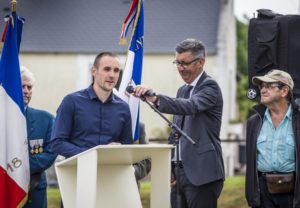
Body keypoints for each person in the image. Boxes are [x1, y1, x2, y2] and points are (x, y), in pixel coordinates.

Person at [132, 38, 224, 208]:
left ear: (200, 62)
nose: (180, 68)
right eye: (177, 63)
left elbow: (191, 106)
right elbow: (175, 132)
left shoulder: (210, 86)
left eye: (185, 63)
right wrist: (170, 165)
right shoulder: (182, 90)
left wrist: (156, 98)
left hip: (202, 172)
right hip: (179, 173)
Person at [51, 52, 133, 158]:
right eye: (107, 69)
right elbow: (57, 143)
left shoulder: (123, 108)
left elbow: (128, 147)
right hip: (78, 171)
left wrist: (120, 148)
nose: (112, 75)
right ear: (93, 71)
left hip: (111, 171)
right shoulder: (71, 101)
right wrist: (94, 154)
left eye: (116, 70)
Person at [246, 69, 300, 208]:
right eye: (261, 86)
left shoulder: (298, 120)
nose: (263, 90)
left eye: (269, 86)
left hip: (294, 193)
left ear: (284, 91)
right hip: (263, 192)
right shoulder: (254, 122)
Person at [21, 66, 57, 208]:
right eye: (22, 86)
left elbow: (51, 152)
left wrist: (18, 166)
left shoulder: (46, 119)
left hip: (35, 191)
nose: (26, 91)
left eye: (29, 87)